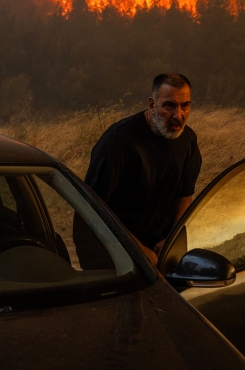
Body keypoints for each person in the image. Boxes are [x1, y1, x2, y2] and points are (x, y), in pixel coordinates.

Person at [73, 73, 201, 269]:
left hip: (163, 249)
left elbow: (185, 195)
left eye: (185, 105)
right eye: (169, 106)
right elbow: (94, 209)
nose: (179, 115)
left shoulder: (187, 140)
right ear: (152, 104)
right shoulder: (118, 142)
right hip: (114, 249)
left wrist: (172, 238)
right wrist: (138, 250)